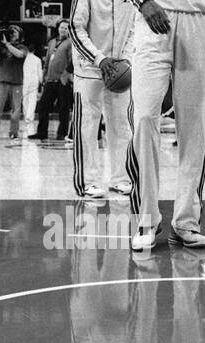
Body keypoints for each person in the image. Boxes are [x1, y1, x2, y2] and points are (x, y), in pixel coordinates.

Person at [127, 0, 205, 251]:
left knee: (195, 127)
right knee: (144, 117)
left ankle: (186, 221)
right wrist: (142, 2)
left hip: (198, 21)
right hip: (153, 19)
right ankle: (146, 220)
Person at [70, 1, 137, 200]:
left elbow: (135, 27)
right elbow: (75, 28)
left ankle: (121, 178)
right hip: (89, 68)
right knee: (87, 126)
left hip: (120, 68)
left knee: (122, 124)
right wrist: (99, 59)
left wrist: (125, 59)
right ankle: (87, 181)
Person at [29, 23, 74, 141]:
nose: (63, 29)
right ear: (58, 29)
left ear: (69, 30)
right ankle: (42, 132)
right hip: (50, 80)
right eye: (61, 27)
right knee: (43, 107)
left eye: (65, 28)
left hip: (62, 80)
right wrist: (44, 75)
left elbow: (71, 62)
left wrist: (66, 76)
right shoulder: (51, 42)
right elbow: (47, 60)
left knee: (63, 109)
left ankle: (62, 133)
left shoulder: (70, 43)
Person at [0, 24, 27, 140]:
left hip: (17, 83)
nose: (12, 34)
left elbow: (19, 55)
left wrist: (7, 44)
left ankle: (13, 133)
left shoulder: (22, 47)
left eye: (14, 32)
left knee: (15, 111)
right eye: (10, 32)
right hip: (2, 82)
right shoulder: (1, 46)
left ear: (20, 35)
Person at [22, 41, 42, 124]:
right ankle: (29, 117)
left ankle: (26, 115)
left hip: (25, 81)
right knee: (32, 100)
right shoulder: (38, 59)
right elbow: (40, 72)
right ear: (34, 50)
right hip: (34, 81)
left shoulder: (24, 59)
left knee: (25, 99)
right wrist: (41, 81)